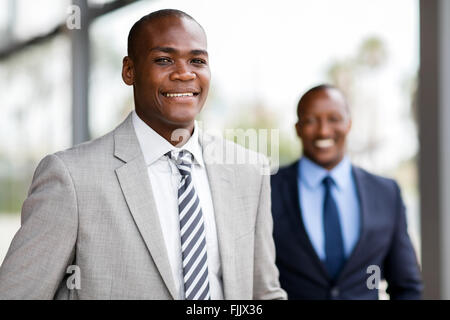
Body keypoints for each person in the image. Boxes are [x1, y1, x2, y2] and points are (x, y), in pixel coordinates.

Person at [0, 9, 286, 300]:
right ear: (129, 70)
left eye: (197, 61)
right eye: (164, 59)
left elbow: (263, 293)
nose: (185, 73)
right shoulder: (71, 177)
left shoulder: (249, 171)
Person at [271, 84, 423, 299]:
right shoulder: (267, 191)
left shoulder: (386, 193)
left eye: (333, 119)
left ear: (349, 124)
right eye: (311, 120)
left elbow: (406, 286)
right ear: (297, 128)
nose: (324, 130)